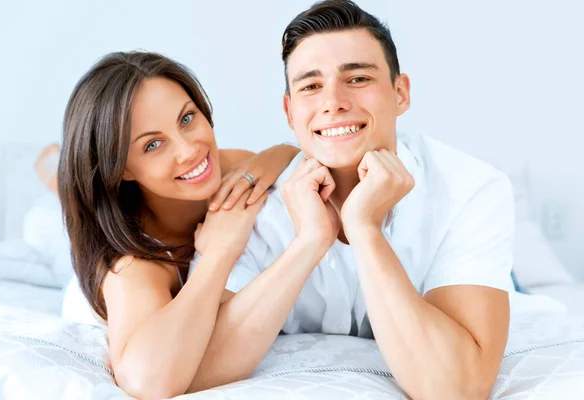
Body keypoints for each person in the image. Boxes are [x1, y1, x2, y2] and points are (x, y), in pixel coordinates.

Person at [186, 1, 515, 399]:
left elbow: (456, 388)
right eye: (310, 86)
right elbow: (198, 371)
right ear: (290, 112)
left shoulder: (471, 189)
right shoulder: (251, 204)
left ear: (400, 93)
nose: (333, 101)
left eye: (357, 78)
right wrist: (309, 242)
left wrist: (364, 229)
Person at [57, 51, 299, 399]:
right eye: (153, 144)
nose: (189, 150)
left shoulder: (224, 170)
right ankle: (50, 169)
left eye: (187, 118)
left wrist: (277, 151)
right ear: (121, 169)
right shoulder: (132, 267)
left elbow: (291, 157)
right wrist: (218, 255)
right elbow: (147, 383)